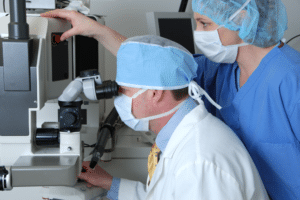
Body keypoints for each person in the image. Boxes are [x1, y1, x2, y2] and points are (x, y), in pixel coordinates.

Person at [41, 0, 300, 198]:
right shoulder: (222, 70)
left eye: (205, 24)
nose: (199, 33)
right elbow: (157, 69)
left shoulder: (290, 79)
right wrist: (96, 31)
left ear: (242, 17)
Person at [82, 35, 268, 199]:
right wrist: (109, 183)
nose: (119, 99)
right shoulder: (180, 139)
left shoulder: (199, 161)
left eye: (124, 91)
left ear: (154, 94)